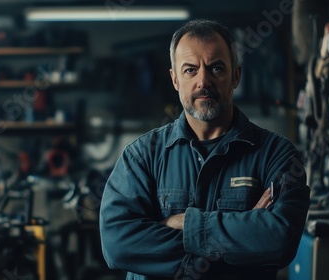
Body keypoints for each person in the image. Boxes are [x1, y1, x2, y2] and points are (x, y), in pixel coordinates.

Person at [99, 19, 310, 280]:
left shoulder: (277, 155)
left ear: (236, 75)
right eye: (190, 70)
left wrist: (183, 223)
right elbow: (117, 246)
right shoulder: (141, 157)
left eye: (216, 68)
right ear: (175, 79)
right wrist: (242, 237)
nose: (203, 80)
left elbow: (279, 242)